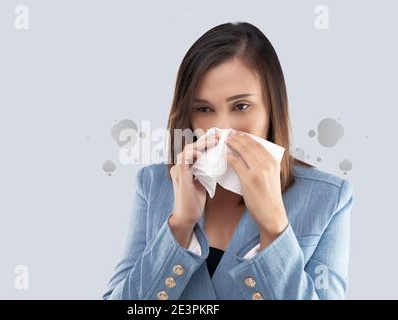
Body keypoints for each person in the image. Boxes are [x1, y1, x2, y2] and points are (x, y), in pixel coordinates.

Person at [102, 22, 354, 300]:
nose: (222, 127)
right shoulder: (153, 184)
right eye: (204, 109)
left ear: (272, 106)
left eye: (241, 106)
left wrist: (274, 226)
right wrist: (180, 225)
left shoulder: (329, 197)